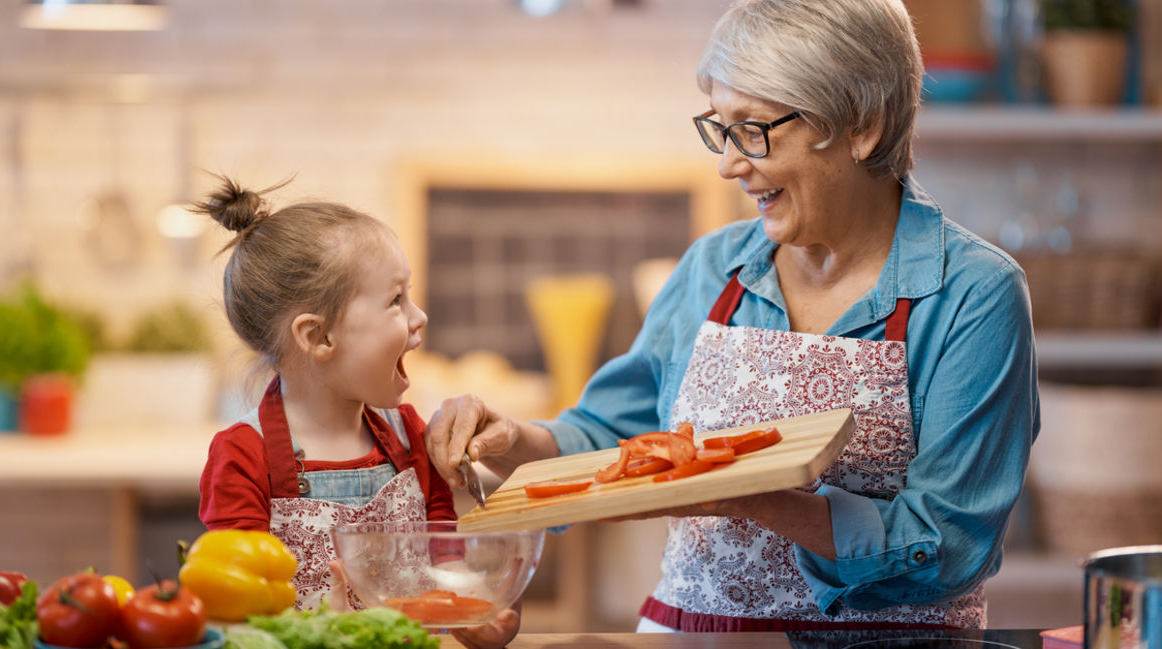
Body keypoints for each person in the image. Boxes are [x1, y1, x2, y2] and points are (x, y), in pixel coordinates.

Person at [426, 0, 1038, 633]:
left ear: (864, 125)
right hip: (691, 635)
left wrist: (761, 501)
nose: (728, 163)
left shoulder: (973, 294)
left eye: (755, 128)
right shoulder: (712, 268)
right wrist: (510, 440)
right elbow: (611, 438)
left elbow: (951, 542)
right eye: (721, 127)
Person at [196, 176, 519, 649]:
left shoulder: (409, 435)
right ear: (318, 337)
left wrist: (470, 607)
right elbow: (234, 612)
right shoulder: (244, 456)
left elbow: (440, 548)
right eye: (395, 300)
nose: (419, 315)